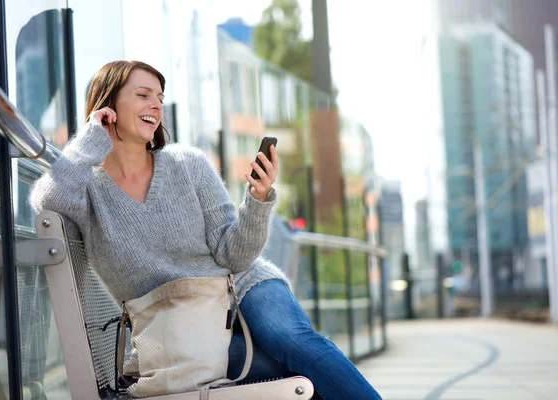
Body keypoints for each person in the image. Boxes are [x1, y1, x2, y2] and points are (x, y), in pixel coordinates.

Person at [29, 60, 381, 400]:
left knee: (290, 340)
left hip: (241, 286)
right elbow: (47, 198)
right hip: (182, 327)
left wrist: (258, 200)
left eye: (160, 98)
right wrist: (92, 139)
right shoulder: (90, 190)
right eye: (143, 95)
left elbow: (233, 254)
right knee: (286, 370)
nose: (156, 105)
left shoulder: (188, 165)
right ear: (108, 105)